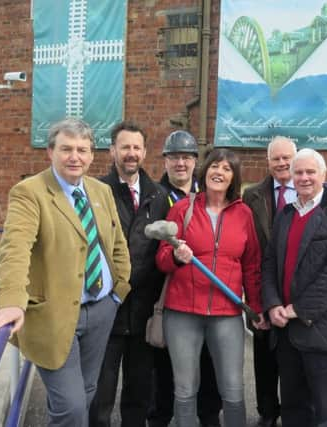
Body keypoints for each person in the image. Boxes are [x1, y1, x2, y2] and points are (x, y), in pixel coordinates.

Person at [0, 117, 131, 427]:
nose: (75, 157)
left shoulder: (100, 190)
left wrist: (118, 290)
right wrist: (11, 300)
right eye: (66, 149)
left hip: (101, 309)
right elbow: (14, 249)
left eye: (83, 150)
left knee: (87, 391)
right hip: (54, 315)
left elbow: (116, 243)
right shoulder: (29, 192)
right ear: (50, 152)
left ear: (92, 155)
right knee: (70, 406)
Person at [156, 148, 267, 427]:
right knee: (184, 389)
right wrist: (175, 257)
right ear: (204, 172)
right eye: (215, 166)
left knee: (232, 389)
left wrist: (256, 307)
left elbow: (252, 265)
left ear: (234, 177)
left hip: (227, 312)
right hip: (182, 312)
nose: (219, 172)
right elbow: (161, 258)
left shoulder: (243, 213)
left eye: (227, 169)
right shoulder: (184, 208)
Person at [261, 148, 327, 427]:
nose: (304, 178)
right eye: (299, 172)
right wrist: (272, 304)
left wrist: (297, 309)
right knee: (293, 411)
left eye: (310, 172)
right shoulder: (286, 214)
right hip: (287, 335)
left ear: (323, 175)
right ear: (291, 176)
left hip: (323, 332)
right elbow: (269, 264)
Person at [89, 121, 170, 427]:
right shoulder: (96, 191)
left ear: (145, 152)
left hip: (143, 313)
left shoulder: (158, 196)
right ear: (113, 151)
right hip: (105, 311)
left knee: (138, 395)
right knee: (100, 396)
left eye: (137, 147)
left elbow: (161, 252)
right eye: (125, 147)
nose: (131, 153)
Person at [148, 130, 223, 427]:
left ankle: (208, 418)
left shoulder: (210, 195)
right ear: (165, 161)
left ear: (195, 161)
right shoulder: (155, 195)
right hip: (168, 291)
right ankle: (160, 418)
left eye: (187, 157)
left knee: (209, 363)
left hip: (207, 295)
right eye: (174, 157)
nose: (181, 163)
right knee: (164, 367)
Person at [242, 136, 297, 427]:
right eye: (276, 158)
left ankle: (291, 411)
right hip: (262, 286)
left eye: (287, 157)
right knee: (263, 357)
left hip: (295, 290)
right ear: (268, 161)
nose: (282, 163)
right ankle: (267, 412)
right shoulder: (252, 195)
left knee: (292, 357)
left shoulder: (306, 189)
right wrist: (254, 300)